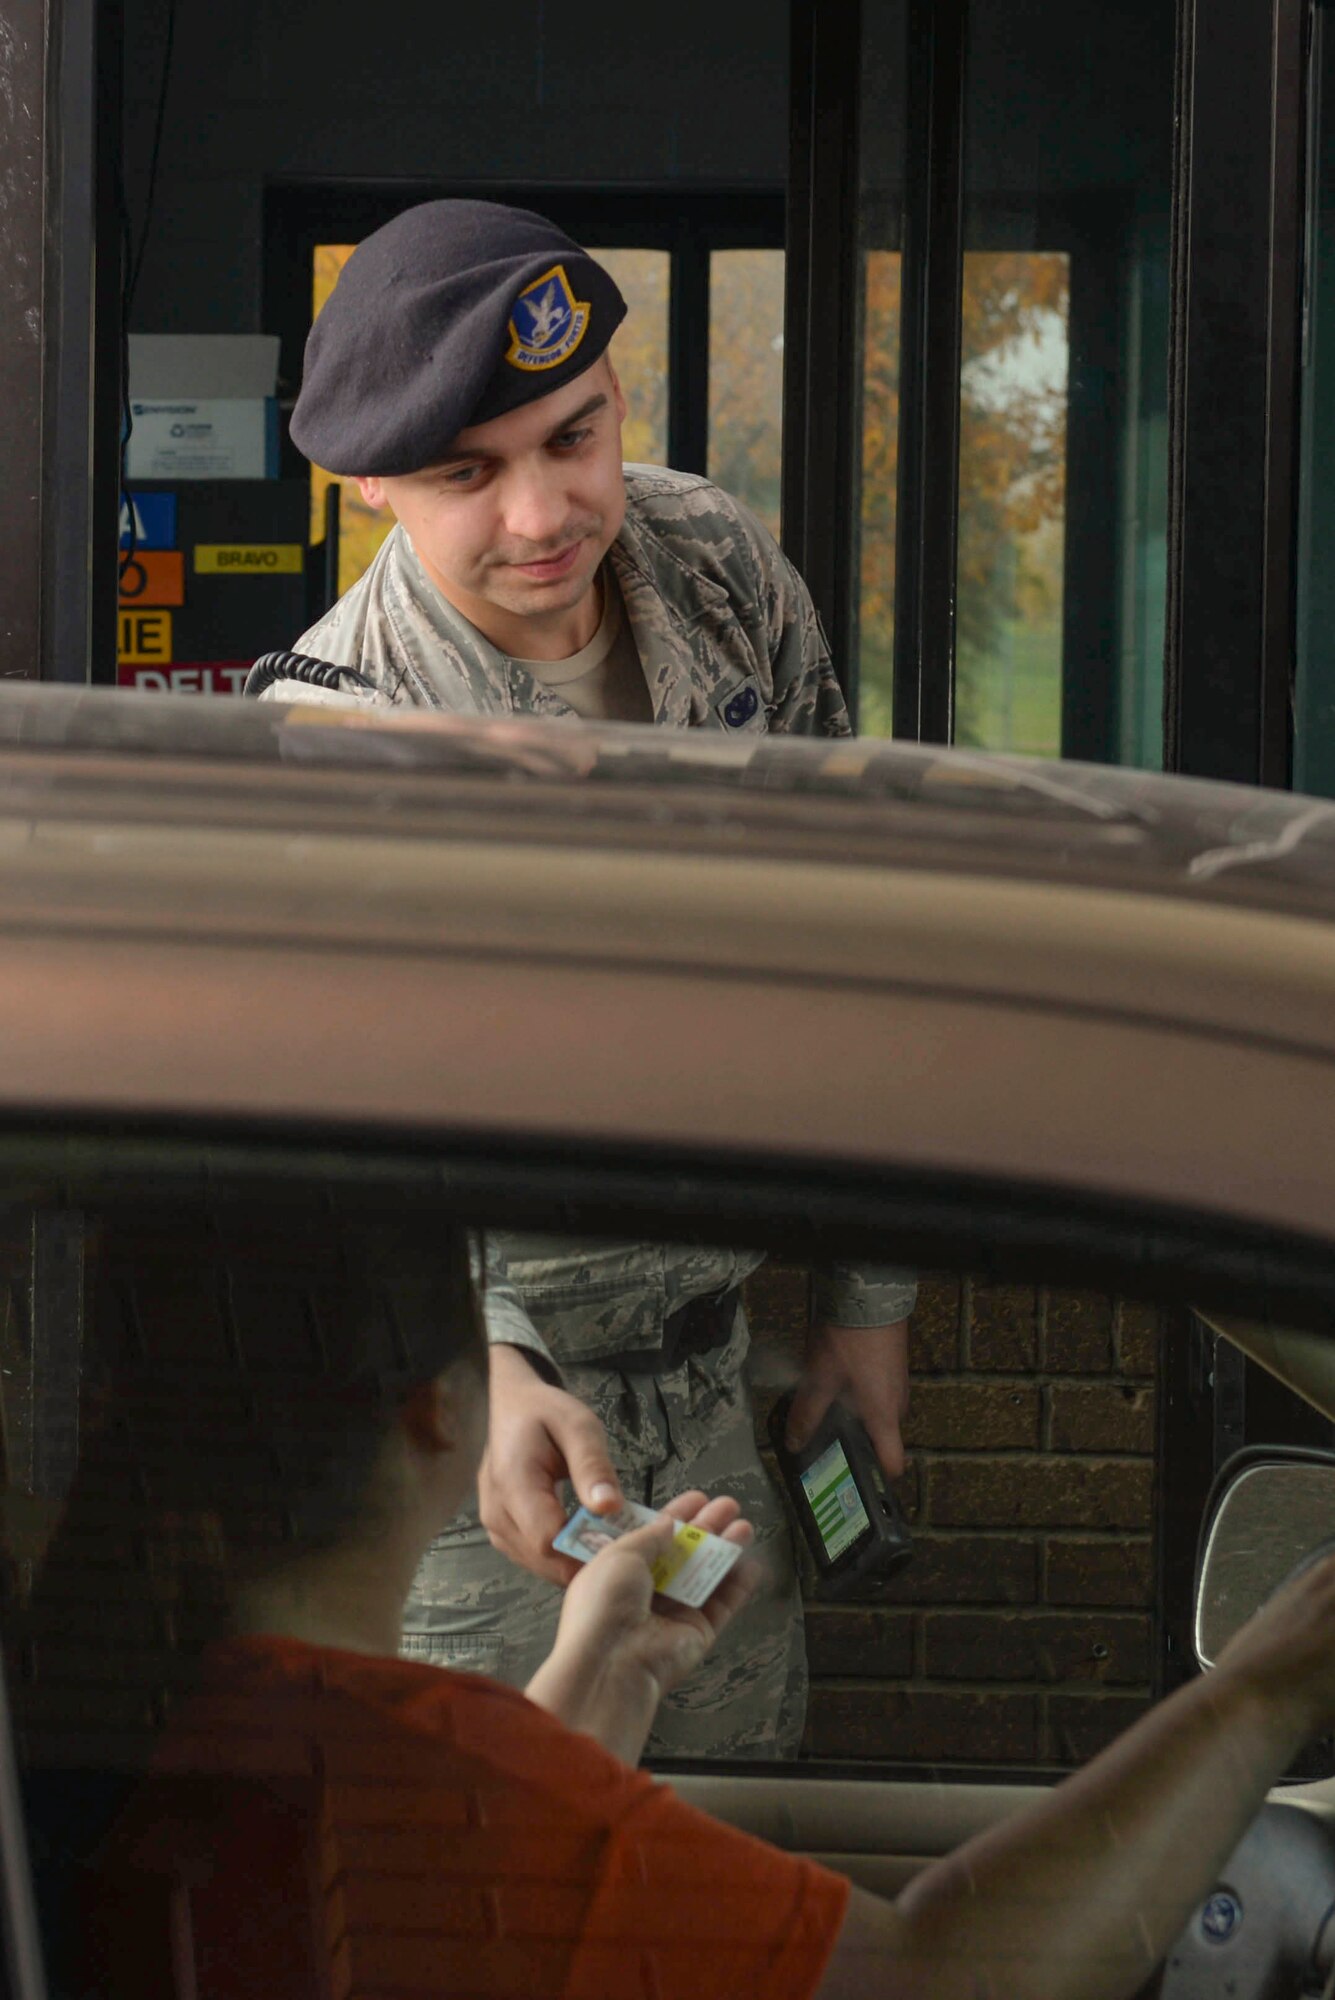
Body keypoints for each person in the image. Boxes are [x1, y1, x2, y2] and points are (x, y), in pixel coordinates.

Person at [248, 197, 917, 1755]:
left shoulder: (712, 563)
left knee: (726, 1899)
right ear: (368, 494)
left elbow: (862, 934)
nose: (543, 512)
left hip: (726, 1410)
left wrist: (862, 1308)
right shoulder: (339, 730)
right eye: (464, 476)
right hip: (493, 1454)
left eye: (574, 435)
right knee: (498, 1905)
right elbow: (320, 1159)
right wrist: (476, 1362)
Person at [82, 1208, 1335, 2000]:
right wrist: (1271, 1677)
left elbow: (501, 1889)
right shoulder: (435, 1797)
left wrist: (600, 1676)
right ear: (446, 1408)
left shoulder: (138, 1743)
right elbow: (939, 1976)